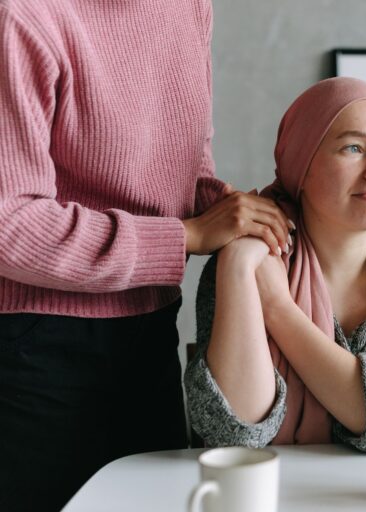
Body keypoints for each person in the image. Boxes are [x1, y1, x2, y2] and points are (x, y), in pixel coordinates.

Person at [0, 1, 291, 510]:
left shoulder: (190, 7)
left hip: (152, 324)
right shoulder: (24, 15)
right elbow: (11, 226)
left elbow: (185, 169)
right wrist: (188, 236)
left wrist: (242, 210)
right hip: (36, 345)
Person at [185, 77, 366, 454]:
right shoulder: (245, 261)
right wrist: (236, 262)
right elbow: (232, 434)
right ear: (301, 164)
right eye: (353, 148)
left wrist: (278, 309)